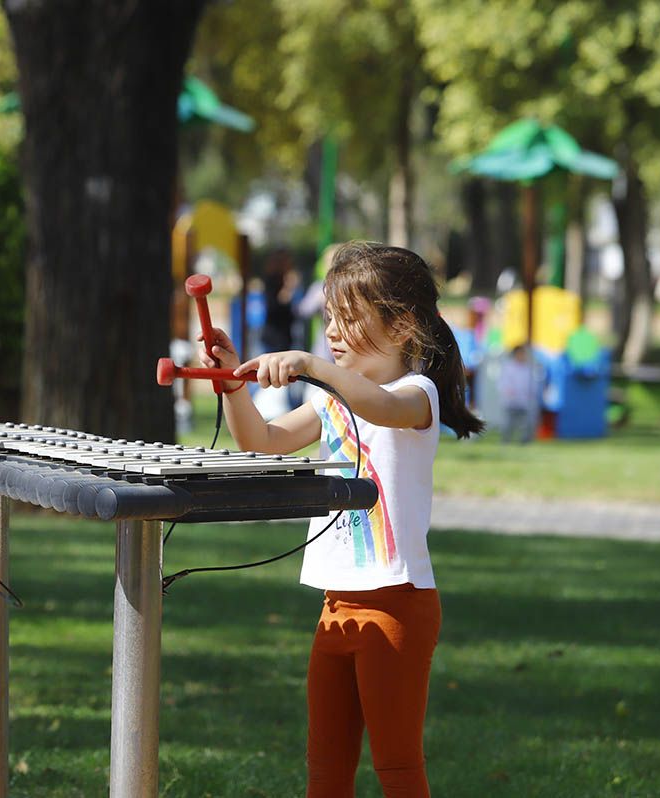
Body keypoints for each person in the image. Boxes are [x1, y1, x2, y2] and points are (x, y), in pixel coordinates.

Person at [199, 242, 483, 798]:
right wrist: (232, 384)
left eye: (349, 318)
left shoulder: (414, 394)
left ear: (402, 327)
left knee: (397, 768)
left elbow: (377, 407)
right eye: (329, 316)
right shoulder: (333, 400)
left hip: (397, 605)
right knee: (325, 769)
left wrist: (310, 366)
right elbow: (263, 440)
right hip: (335, 606)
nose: (332, 330)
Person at [498, 344, 536, 444]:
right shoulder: (509, 367)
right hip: (511, 400)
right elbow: (503, 382)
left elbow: (531, 383)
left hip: (524, 400)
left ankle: (525, 442)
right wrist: (508, 391)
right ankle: (506, 441)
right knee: (509, 423)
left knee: (526, 423)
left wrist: (531, 394)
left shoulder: (527, 368)